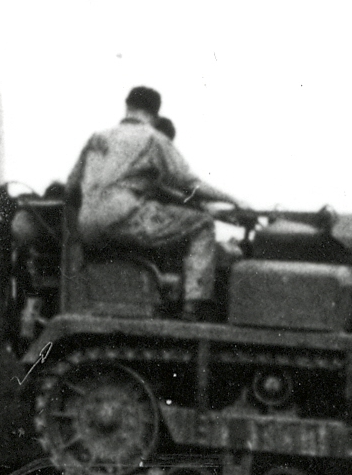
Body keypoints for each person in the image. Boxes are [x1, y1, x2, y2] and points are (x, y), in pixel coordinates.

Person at [70, 85, 245, 318]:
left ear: (127, 106)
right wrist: (233, 199)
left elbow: (72, 186)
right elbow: (189, 183)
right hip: (124, 218)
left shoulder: (97, 137)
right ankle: (194, 306)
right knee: (201, 225)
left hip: (87, 225)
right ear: (155, 114)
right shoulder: (153, 138)